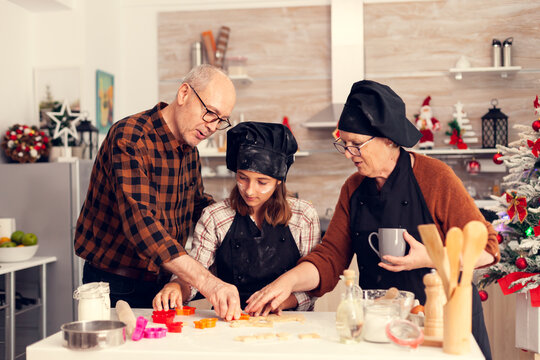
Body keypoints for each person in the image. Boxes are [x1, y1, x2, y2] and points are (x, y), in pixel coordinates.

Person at [245, 80, 499, 359]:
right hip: (381, 326)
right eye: (344, 144)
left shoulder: (435, 177)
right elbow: (331, 257)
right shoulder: (353, 188)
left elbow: (487, 250)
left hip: (442, 325)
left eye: (357, 144)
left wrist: (432, 257)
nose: (349, 154)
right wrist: (288, 282)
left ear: (389, 139)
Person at [75, 64, 244, 320]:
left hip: (162, 283)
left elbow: (197, 205)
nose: (212, 127)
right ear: (184, 93)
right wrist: (209, 283)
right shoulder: (130, 138)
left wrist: (242, 215)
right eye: (210, 113)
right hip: (115, 284)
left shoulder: (189, 149)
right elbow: (141, 225)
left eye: (221, 120)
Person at [153, 122, 321, 313]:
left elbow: (312, 287)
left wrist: (277, 303)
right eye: (242, 178)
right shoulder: (215, 217)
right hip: (232, 320)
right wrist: (176, 288)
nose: (249, 190)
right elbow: (195, 274)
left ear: (279, 180)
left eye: (262, 182)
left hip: (289, 323)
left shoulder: (303, 216)